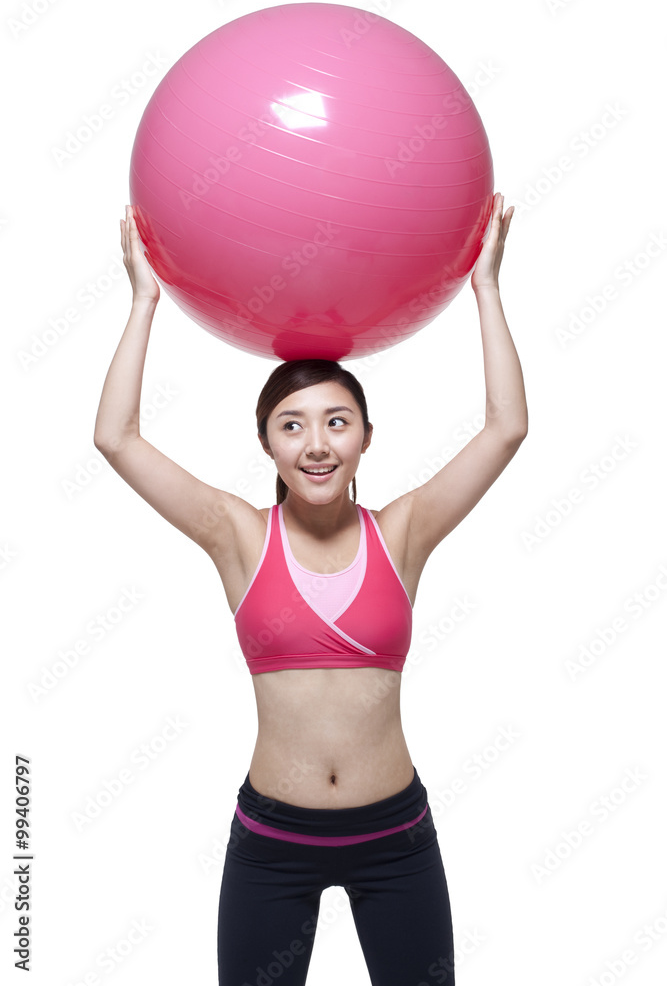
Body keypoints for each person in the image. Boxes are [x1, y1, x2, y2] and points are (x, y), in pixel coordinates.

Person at [94, 192, 526, 985]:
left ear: (364, 437)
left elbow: (505, 428)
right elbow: (115, 438)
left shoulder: (403, 532)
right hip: (272, 845)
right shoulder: (237, 535)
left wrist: (487, 291)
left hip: (395, 840)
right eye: (291, 424)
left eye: (336, 421)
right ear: (265, 443)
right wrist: (143, 301)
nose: (316, 443)